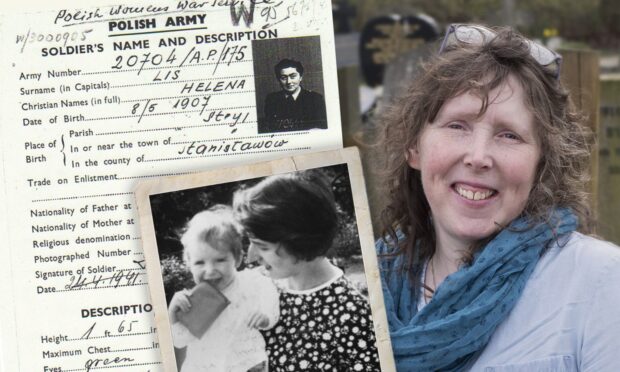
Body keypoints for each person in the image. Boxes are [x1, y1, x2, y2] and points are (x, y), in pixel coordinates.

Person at [376, 24, 620, 371]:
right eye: (457, 126)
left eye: (509, 135)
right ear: (414, 148)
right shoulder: (366, 283)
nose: (478, 156)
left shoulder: (599, 283)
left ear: (541, 163)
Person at [233, 170, 381, 372]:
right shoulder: (259, 287)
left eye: (263, 247)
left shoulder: (354, 317)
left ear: (298, 242)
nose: (250, 257)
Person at [168, 205, 279, 372]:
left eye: (220, 260)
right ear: (189, 264)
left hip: (247, 364)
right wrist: (173, 316)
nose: (210, 270)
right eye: (199, 262)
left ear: (237, 258)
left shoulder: (251, 281)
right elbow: (180, 340)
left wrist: (266, 316)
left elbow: (268, 293)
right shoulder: (194, 300)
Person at [259, 58, 327, 133]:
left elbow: (321, 128)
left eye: (293, 76)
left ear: (300, 77)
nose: (289, 82)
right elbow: (270, 128)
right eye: (283, 78)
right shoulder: (272, 100)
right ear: (279, 80)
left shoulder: (315, 99)